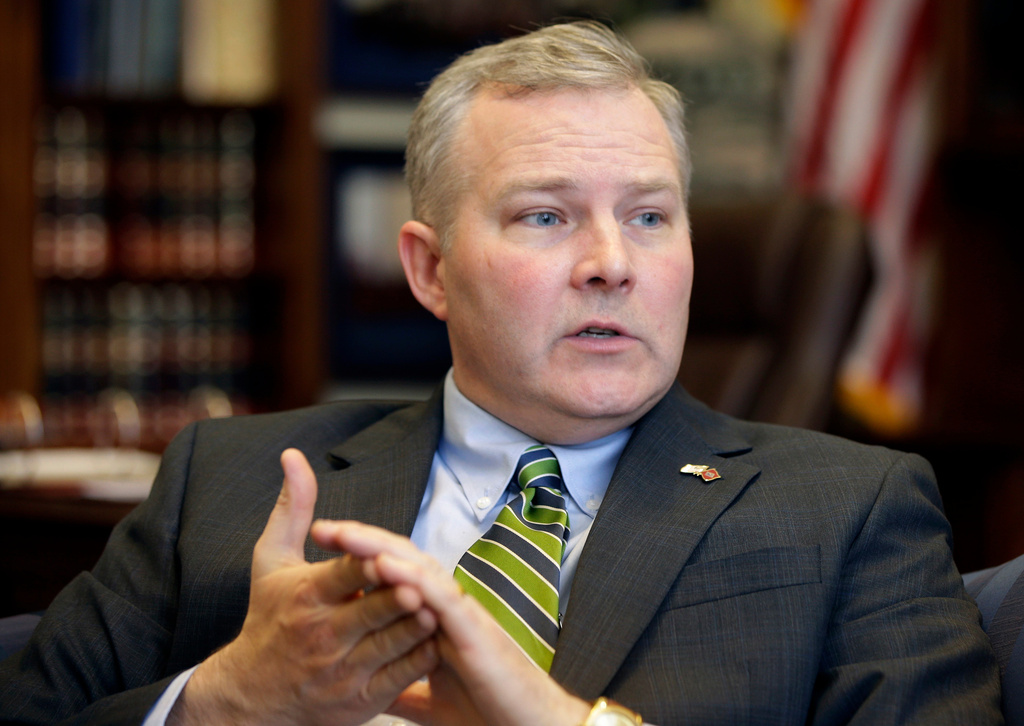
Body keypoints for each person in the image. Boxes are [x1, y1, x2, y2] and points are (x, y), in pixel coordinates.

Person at [0, 20, 1002, 726]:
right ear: (430, 270)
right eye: (546, 215)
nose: (611, 261)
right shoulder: (229, 481)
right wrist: (223, 703)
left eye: (650, 215)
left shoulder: (847, 510)